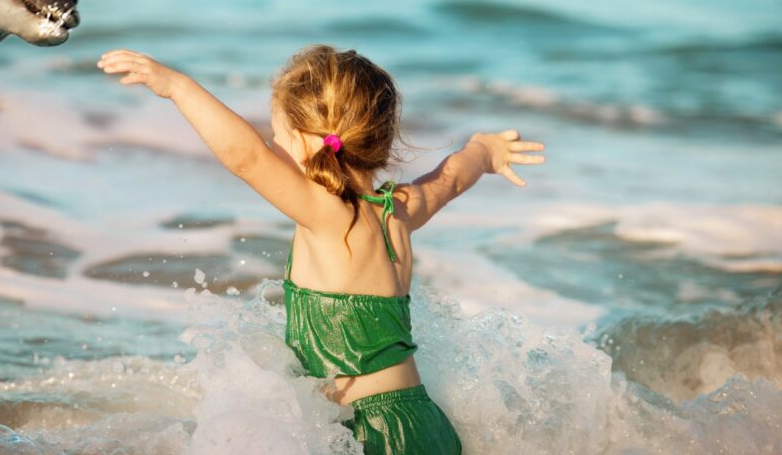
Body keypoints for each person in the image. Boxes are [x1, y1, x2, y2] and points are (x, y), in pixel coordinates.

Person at [98, 44, 545, 454]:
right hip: (422, 422)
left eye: (279, 137)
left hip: (374, 434)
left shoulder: (329, 215)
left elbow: (245, 157)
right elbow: (450, 178)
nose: (273, 148)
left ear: (312, 141)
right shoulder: (397, 209)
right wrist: (484, 150)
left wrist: (177, 87)